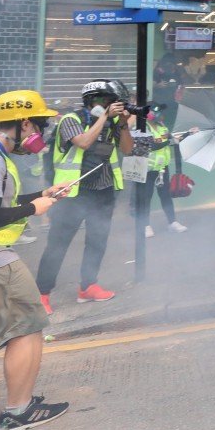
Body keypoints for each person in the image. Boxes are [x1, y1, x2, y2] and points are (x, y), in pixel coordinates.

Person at [0, 90, 70, 430]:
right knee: (28, 326)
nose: (41, 135)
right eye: (41, 126)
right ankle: (18, 411)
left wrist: (41, 195)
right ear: (25, 122)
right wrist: (34, 210)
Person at [35, 80, 134, 313]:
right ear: (94, 101)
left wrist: (122, 124)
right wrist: (104, 118)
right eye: (110, 102)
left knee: (97, 241)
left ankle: (88, 286)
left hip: (103, 191)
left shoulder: (111, 123)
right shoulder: (71, 120)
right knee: (58, 245)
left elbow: (127, 150)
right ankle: (42, 294)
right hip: (72, 194)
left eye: (116, 103)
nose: (114, 107)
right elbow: (84, 142)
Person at [133, 108, 188, 237]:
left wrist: (188, 134)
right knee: (145, 197)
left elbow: (170, 138)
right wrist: (169, 140)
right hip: (145, 168)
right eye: (157, 111)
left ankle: (172, 222)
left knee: (166, 196)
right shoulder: (140, 126)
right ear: (149, 114)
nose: (161, 115)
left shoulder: (162, 127)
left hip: (161, 168)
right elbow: (151, 144)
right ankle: (145, 225)